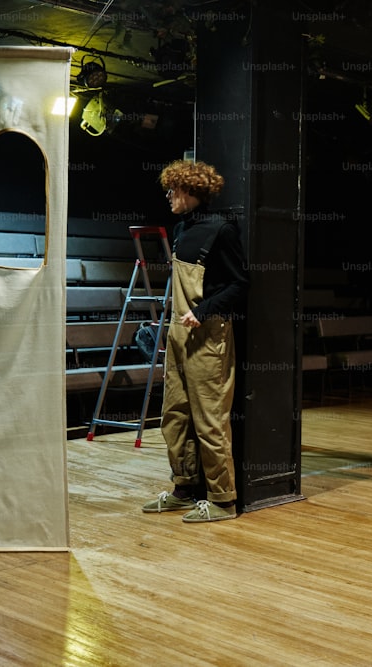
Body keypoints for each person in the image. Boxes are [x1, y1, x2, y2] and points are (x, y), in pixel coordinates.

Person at [141, 159, 249, 521]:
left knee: (210, 419)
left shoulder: (222, 230)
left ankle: (222, 500)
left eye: (174, 190)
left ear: (190, 191)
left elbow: (240, 284)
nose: (169, 195)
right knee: (174, 415)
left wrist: (202, 313)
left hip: (208, 335)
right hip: (178, 334)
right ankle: (184, 489)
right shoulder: (183, 228)